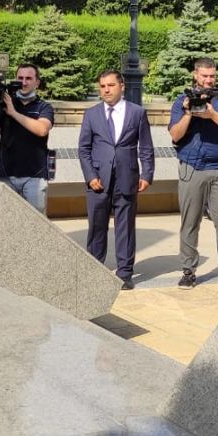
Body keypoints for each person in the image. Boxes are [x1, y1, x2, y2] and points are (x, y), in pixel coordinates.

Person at [169, 57, 218, 288]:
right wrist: (189, 113)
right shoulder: (182, 100)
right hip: (191, 168)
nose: (209, 80)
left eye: (212, 76)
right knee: (189, 222)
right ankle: (189, 270)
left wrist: (212, 115)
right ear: (195, 75)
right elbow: (175, 135)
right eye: (204, 76)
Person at [78, 70, 154, 289]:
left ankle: (125, 273)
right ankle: (94, 268)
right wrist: (90, 176)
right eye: (102, 86)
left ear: (122, 86)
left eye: (110, 85)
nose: (106, 90)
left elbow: (146, 147)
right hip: (98, 182)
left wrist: (147, 174)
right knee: (97, 227)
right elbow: (84, 149)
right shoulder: (91, 114)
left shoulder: (137, 113)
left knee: (126, 228)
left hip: (127, 178)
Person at [0, 62, 54, 214]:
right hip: (6, 176)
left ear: (37, 82)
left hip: (34, 177)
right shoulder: (5, 106)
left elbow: (42, 130)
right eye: (20, 78)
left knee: (35, 226)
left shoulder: (43, 107)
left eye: (29, 78)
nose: (24, 82)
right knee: (6, 225)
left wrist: (14, 113)